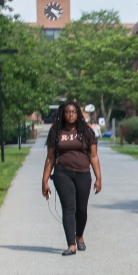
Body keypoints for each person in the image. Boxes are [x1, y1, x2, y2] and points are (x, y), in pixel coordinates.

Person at [41, 100, 102, 256]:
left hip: (83, 173)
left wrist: (98, 178)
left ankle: (79, 236)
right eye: (67, 112)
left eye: (73, 112)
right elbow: (50, 158)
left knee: (81, 209)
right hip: (62, 173)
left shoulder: (87, 132)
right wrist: (44, 181)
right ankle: (71, 244)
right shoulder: (56, 132)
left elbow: (94, 156)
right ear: (62, 114)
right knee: (68, 208)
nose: (70, 115)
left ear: (78, 114)